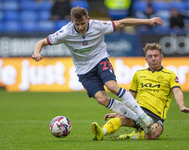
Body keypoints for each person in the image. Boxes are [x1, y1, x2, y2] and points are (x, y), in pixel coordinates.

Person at [32, 7, 164, 138]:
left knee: (112, 87)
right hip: (84, 71)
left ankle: (143, 116)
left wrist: (147, 21)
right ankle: (137, 118)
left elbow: (122, 23)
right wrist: (36, 52)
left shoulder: (98, 26)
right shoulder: (65, 32)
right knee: (102, 99)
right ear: (72, 22)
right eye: (77, 24)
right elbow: (41, 42)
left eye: (83, 23)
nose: (80, 27)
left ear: (88, 19)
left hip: (100, 60)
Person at [91, 43, 189, 140]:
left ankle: (133, 136)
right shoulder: (138, 74)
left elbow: (177, 91)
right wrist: (119, 111)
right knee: (121, 118)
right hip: (138, 110)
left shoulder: (170, 75)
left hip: (155, 115)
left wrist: (181, 106)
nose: (153, 59)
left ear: (161, 57)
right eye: (150, 56)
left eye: (156, 56)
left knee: (156, 131)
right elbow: (129, 96)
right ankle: (101, 132)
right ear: (146, 59)